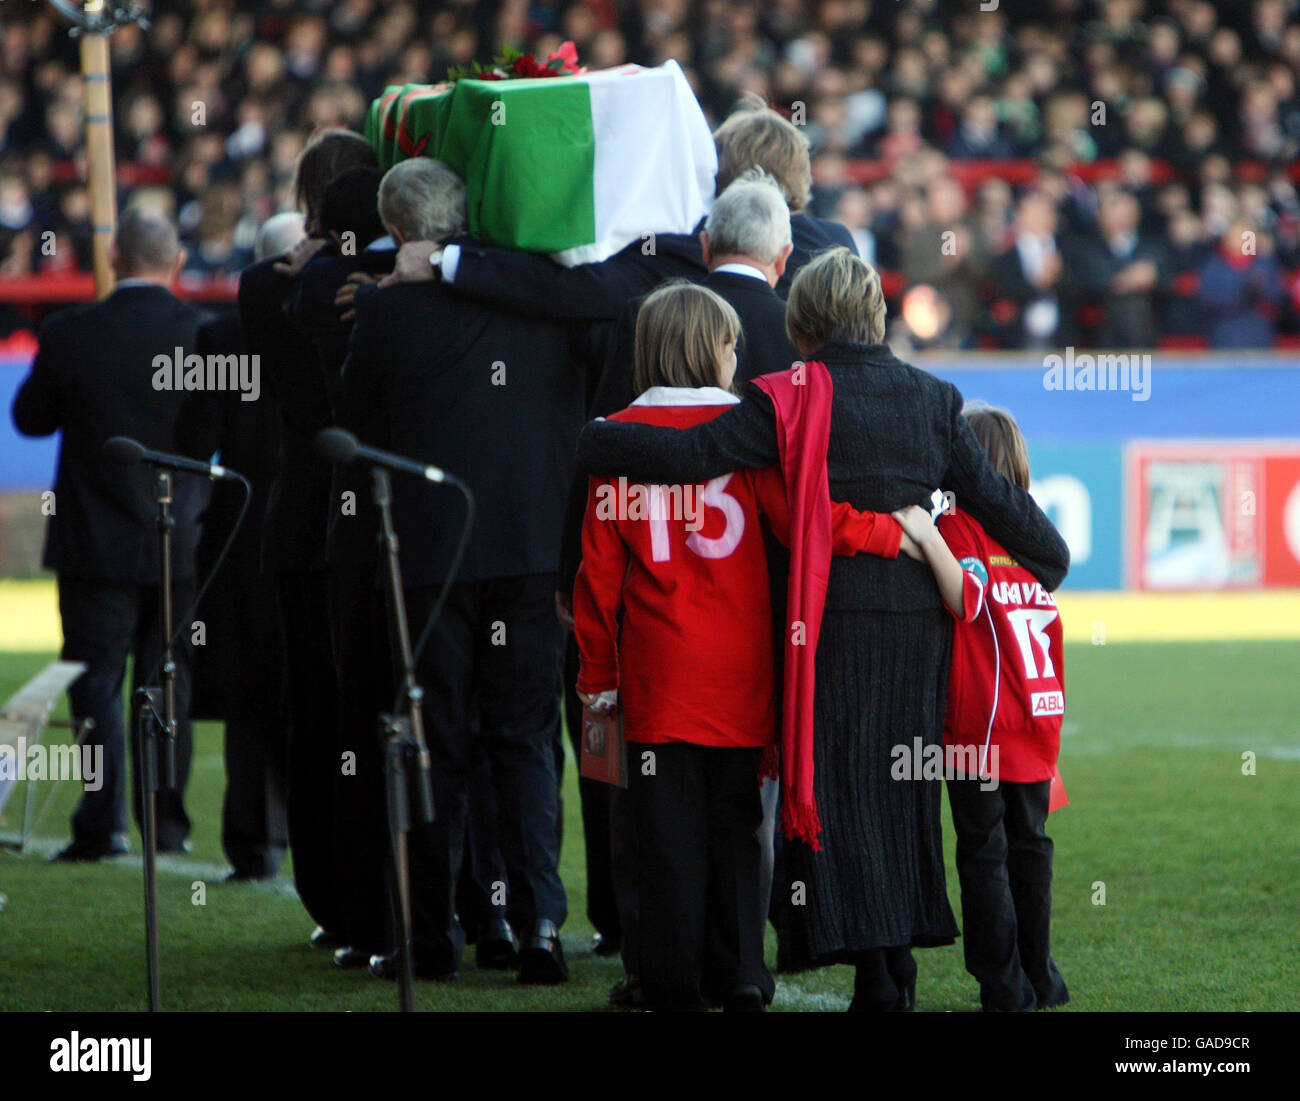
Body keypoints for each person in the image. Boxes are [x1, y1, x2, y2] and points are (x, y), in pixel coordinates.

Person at [576, 247, 1070, 1011]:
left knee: (839, 804)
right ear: (876, 314)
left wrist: (592, 440)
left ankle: (876, 970)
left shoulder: (787, 396)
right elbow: (1007, 511)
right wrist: (1048, 558)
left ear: (802, 321)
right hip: (915, 637)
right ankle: (897, 969)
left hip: (824, 632)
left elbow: (689, 454)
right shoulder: (934, 399)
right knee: (905, 805)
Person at [572, 281, 915, 1012]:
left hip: (658, 678)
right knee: (737, 830)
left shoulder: (616, 435)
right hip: (741, 673)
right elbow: (812, 525)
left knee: (664, 840)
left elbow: (598, 577)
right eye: (731, 344)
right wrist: (899, 531)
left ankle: (669, 981)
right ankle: (743, 976)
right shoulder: (750, 432)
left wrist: (597, 674)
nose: (738, 356)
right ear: (710, 349)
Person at [337, 159, 582, 984]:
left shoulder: (385, 312)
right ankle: (539, 922)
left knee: (433, 742)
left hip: (430, 558)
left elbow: (352, 421)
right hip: (527, 549)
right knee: (524, 739)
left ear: (398, 232)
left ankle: (433, 935)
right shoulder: (539, 298)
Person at [11, 208, 208, 860]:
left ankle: (102, 822)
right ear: (175, 263)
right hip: (179, 538)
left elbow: (30, 416)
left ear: (115, 259)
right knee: (168, 678)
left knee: (96, 681)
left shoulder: (72, 332)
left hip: (94, 542)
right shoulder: (203, 334)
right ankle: (167, 824)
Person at [238, 126, 377, 950]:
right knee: (360, 716)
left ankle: (331, 899)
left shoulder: (274, 283)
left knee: (316, 718)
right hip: (347, 524)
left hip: (298, 525)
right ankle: (375, 899)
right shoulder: (360, 282)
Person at [892, 403, 1070, 1013]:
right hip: (1037, 715)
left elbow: (966, 598)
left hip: (982, 723)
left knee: (984, 850)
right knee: (1031, 845)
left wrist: (920, 533)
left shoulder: (964, 529)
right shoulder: (1032, 537)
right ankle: (1041, 976)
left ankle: (1004, 986)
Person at [174, 213, 298, 881]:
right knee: (312, 687)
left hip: (242, 531)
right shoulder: (336, 320)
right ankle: (323, 846)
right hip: (321, 526)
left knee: (250, 693)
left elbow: (193, 445)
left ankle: (254, 844)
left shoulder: (222, 337)